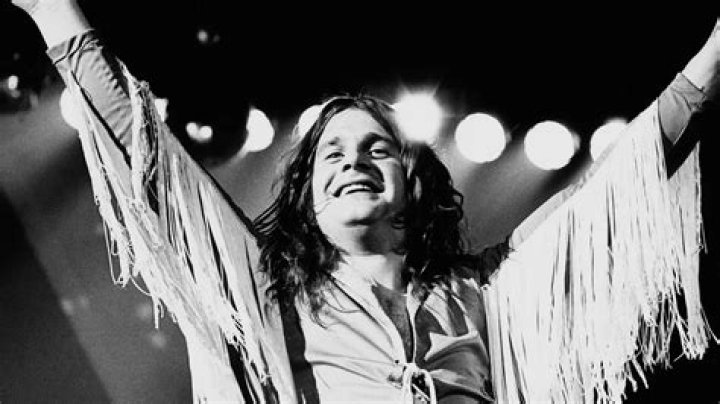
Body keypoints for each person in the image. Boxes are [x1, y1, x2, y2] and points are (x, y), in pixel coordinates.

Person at [10, 1, 720, 402]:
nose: (353, 160)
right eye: (331, 153)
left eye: (377, 148)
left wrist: (711, 61)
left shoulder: (485, 288)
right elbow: (152, 159)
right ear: (306, 198)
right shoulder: (265, 286)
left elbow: (609, 194)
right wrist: (54, 11)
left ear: (415, 184)